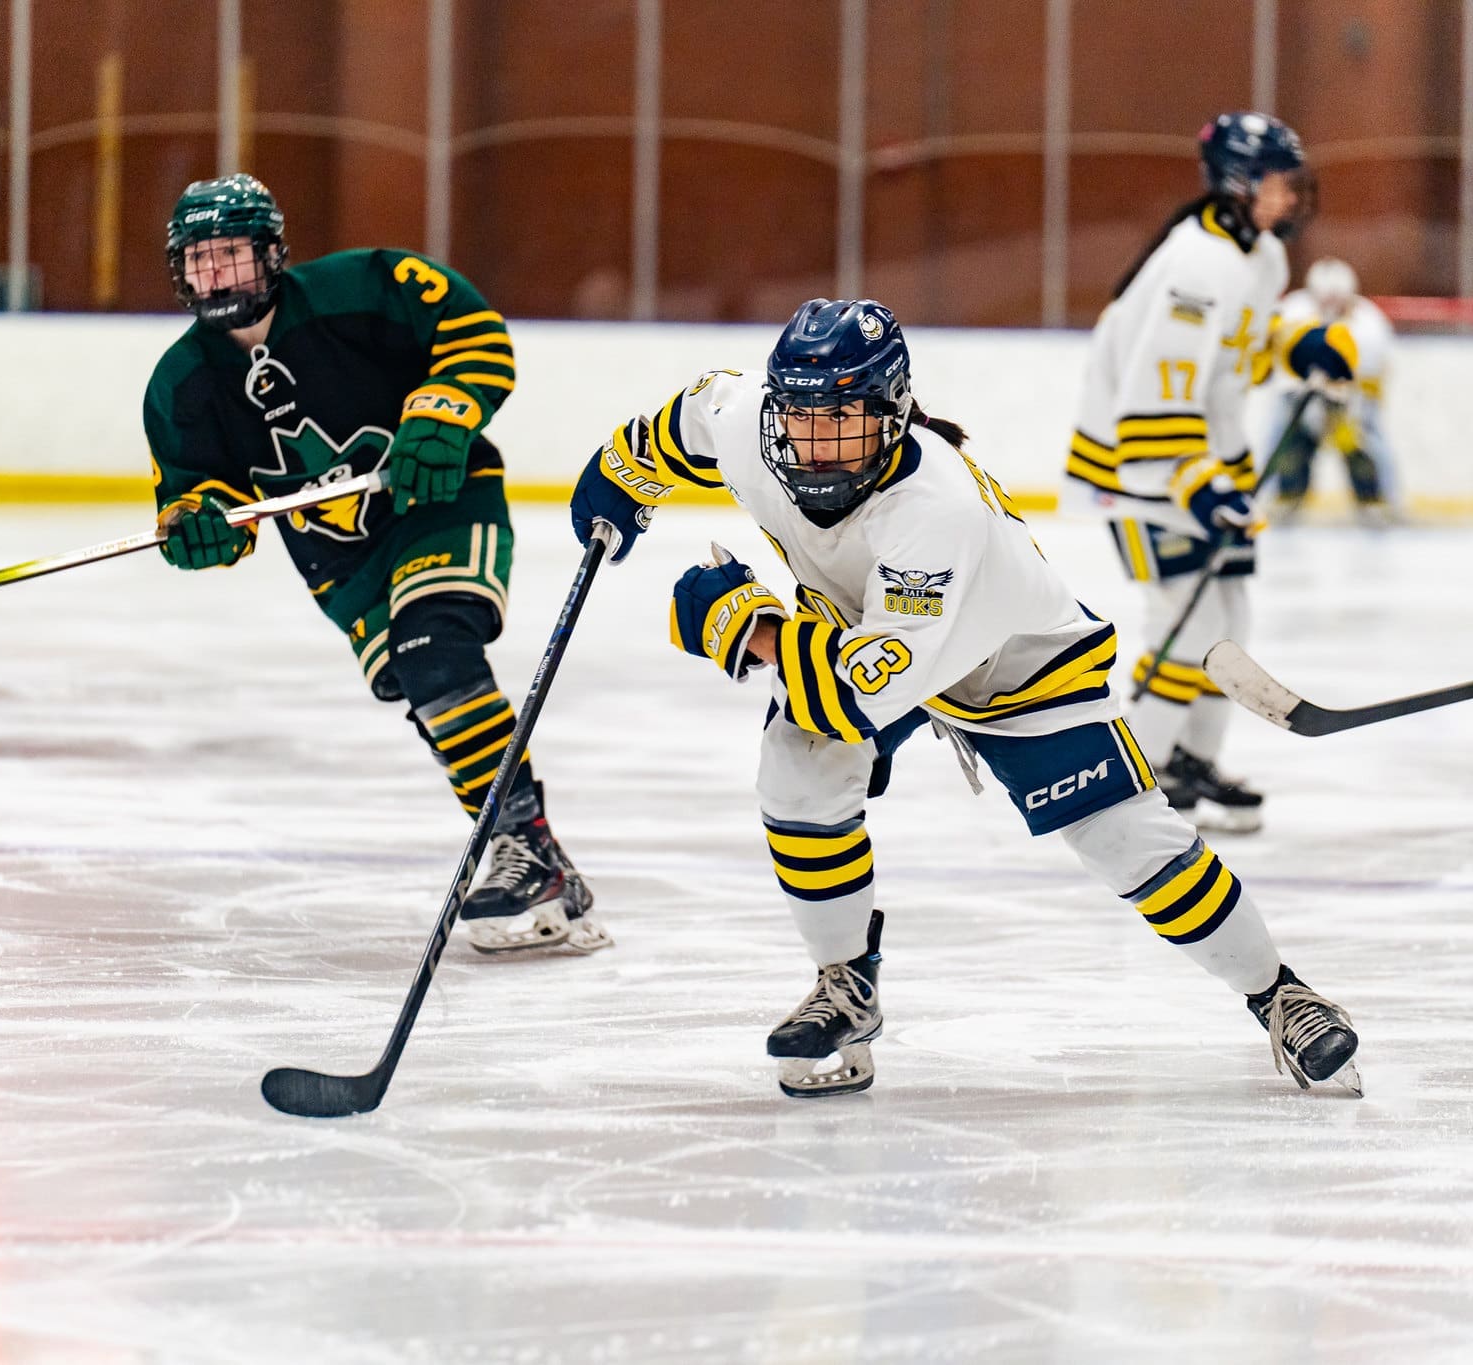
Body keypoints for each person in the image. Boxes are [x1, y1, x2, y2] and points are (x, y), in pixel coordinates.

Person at [568, 297, 1360, 1099]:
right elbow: (683, 423)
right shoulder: (749, 422)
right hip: (866, 630)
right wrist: (618, 476)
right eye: (801, 415)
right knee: (797, 776)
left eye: (843, 414)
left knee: (1126, 838)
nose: (816, 438)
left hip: (1015, 666)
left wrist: (752, 628)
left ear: (894, 412)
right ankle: (846, 983)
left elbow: (847, 698)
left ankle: (1282, 994)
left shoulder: (935, 517)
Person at [142, 174, 607, 954]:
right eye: (200, 261)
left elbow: (473, 331)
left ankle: (521, 843)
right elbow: (198, 493)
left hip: (439, 501)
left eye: (231, 255)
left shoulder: (362, 288)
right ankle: (547, 862)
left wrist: (445, 407)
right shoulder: (180, 383)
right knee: (429, 693)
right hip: (338, 558)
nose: (216, 275)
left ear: (271, 253)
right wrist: (201, 526)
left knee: (436, 650)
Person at [1063, 112, 1357, 834]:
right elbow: (1152, 394)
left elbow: (1237, 355)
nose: (1293, 199)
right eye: (1281, 185)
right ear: (1242, 183)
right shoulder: (1198, 263)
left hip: (1202, 462)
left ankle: (1191, 762)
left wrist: (1300, 348)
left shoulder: (1256, 257)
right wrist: (1195, 480)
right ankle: (1140, 775)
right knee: (1184, 618)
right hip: (1142, 469)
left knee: (1228, 617)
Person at [1264, 258, 1399, 524]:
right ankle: (1281, 495)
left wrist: (1347, 409)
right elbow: (1275, 364)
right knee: (1283, 436)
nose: (1331, 308)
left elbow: (1375, 376)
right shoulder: (1292, 311)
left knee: (1367, 440)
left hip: (1351, 398)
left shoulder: (1370, 324)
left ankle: (1381, 499)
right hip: (1300, 392)